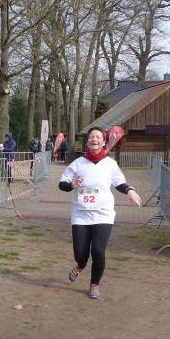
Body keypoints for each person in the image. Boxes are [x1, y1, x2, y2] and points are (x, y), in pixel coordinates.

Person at [58, 127, 141, 299]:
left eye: (98, 137)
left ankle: (94, 285)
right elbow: (62, 184)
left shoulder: (110, 164)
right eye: (91, 137)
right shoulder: (78, 163)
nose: (94, 139)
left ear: (104, 142)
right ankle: (81, 265)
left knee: (98, 250)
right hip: (81, 215)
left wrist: (130, 191)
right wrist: (72, 184)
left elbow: (119, 183)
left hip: (103, 214)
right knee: (80, 254)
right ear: (87, 141)